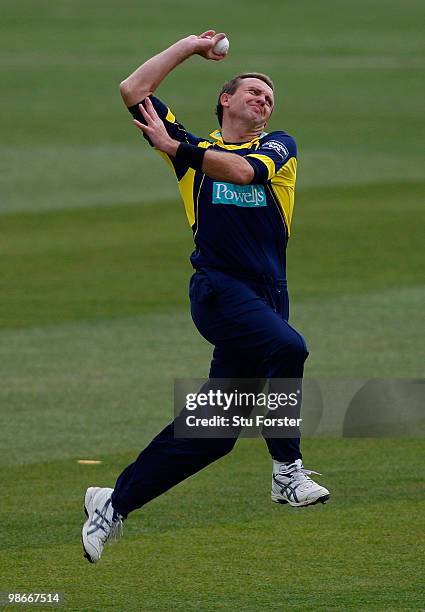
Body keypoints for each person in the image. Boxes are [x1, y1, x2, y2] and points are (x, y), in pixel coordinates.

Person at [82, 30, 330, 564]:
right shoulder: (191, 151)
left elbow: (243, 171)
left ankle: (112, 502)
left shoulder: (277, 145)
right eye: (253, 92)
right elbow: (132, 88)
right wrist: (188, 48)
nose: (263, 100)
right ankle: (287, 472)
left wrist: (179, 149)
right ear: (226, 98)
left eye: (269, 97)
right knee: (291, 347)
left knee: (214, 434)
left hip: (267, 294)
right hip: (218, 289)